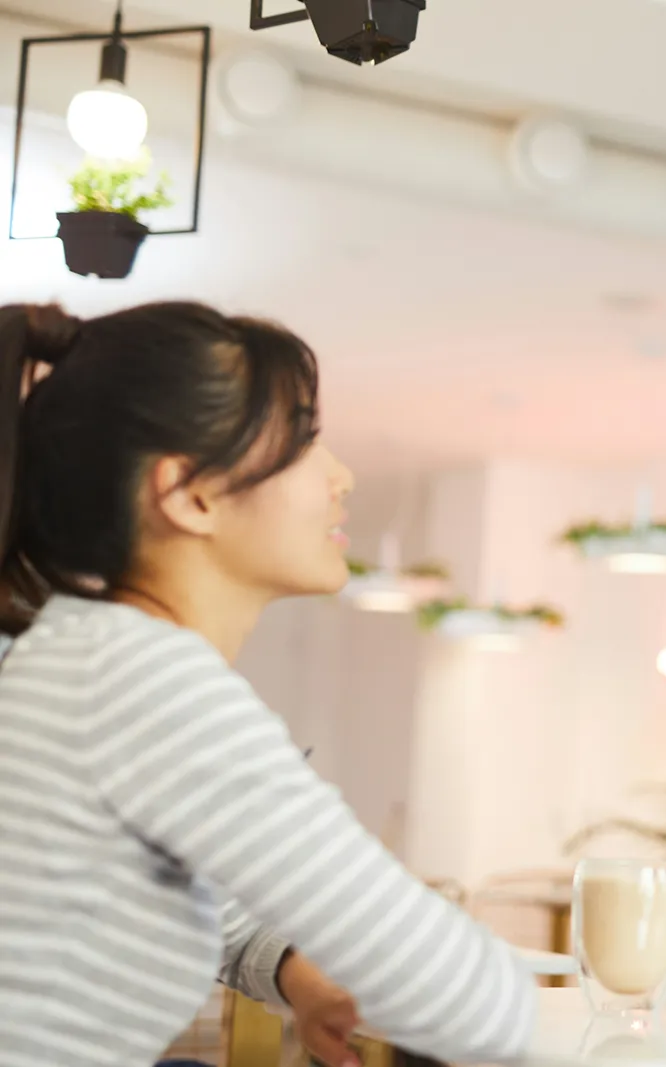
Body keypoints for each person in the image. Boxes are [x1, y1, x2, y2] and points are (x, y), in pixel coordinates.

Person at [0, 302, 536, 1067]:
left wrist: (303, 973)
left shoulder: (90, 659)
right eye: (305, 439)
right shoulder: (142, 680)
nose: (341, 476)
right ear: (191, 494)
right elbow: (471, 999)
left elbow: (185, 895)